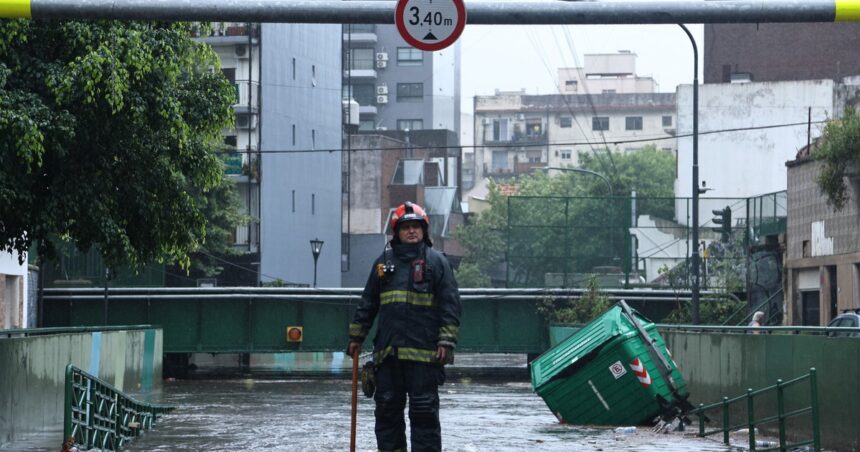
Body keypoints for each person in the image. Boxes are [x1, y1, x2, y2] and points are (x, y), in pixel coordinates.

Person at [348, 201, 461, 452]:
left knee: (424, 414)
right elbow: (368, 302)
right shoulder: (382, 265)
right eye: (406, 227)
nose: (412, 231)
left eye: (416, 227)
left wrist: (446, 341)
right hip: (388, 357)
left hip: (424, 358)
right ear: (396, 232)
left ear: (424, 231)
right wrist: (356, 337)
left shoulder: (437, 263)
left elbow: (450, 305)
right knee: (387, 413)